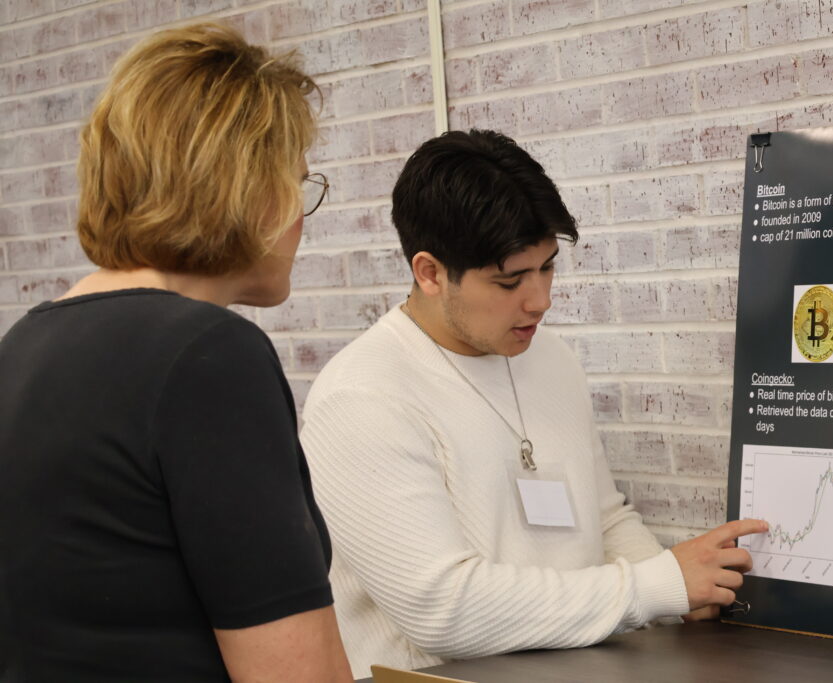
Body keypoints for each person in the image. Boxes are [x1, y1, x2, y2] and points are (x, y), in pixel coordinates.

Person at [300, 128, 767, 678]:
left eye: (547, 267)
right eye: (509, 281)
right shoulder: (362, 396)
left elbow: (603, 519)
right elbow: (444, 610)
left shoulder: (550, 359)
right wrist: (657, 585)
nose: (540, 300)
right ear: (429, 273)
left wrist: (684, 591)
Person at [0, 24, 353, 682]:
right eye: (298, 182)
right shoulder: (209, 358)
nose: (304, 214)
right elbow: (295, 673)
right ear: (248, 187)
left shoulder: (21, 348)